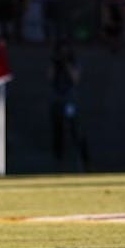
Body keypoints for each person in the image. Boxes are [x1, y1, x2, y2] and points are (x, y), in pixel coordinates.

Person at [47, 41, 90, 171]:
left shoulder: (74, 63)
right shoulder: (54, 63)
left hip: (70, 101)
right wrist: (56, 63)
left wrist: (66, 64)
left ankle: (84, 161)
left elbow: (75, 79)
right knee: (58, 131)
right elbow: (49, 77)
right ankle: (59, 161)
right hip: (57, 100)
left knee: (75, 130)